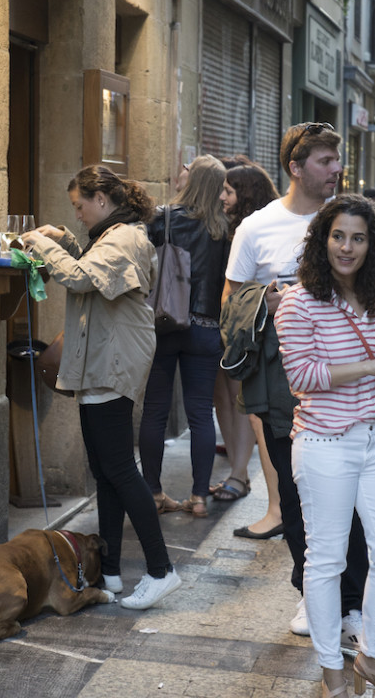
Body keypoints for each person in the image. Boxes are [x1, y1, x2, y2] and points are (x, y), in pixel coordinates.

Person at [223, 122, 368, 648]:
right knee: (296, 490)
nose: (336, 169)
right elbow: (228, 303)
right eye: (326, 161)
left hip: (348, 382)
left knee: (348, 494)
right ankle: (313, 591)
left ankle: (350, 603)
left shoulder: (349, 221)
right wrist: (269, 301)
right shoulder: (256, 228)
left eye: (337, 160)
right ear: (296, 167)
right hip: (281, 384)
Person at [22, 165, 182, 611]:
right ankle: (108, 572)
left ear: (102, 200)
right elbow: (91, 267)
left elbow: (80, 278)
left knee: (120, 470)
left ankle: (162, 570)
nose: (77, 215)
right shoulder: (114, 236)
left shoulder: (126, 237)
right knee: (106, 470)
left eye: (79, 206)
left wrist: (38, 243)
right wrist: (65, 243)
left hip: (112, 363)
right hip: (102, 362)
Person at [275, 194, 375, 698]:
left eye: (358, 237)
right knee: (327, 560)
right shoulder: (299, 300)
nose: (346, 247)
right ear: (321, 239)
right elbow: (303, 377)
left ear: (371, 243)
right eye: (338, 236)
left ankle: (373, 658)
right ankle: (333, 672)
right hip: (324, 442)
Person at [138, 155, 230, 517]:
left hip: (165, 324)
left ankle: (154, 493)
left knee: (155, 412)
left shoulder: (161, 218)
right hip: (207, 331)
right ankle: (199, 498)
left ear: (192, 180)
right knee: (200, 416)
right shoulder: (224, 228)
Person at [213, 162, 284, 541]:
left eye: (229, 190)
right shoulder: (252, 227)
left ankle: (277, 510)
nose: (222, 197)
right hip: (260, 341)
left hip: (264, 344)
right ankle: (281, 507)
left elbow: (235, 292)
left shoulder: (253, 229)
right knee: (267, 427)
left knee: (267, 428)